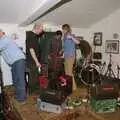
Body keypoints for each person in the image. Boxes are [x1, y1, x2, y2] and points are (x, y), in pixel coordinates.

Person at [0, 29, 26, 103]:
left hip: (18, 61)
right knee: (15, 80)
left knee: (19, 80)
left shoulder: (5, 39)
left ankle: (22, 99)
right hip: (15, 62)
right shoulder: (3, 40)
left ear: (1, 33)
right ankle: (18, 96)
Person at [26, 24, 43, 94]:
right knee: (33, 77)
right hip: (32, 61)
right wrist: (36, 62)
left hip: (32, 60)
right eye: (41, 30)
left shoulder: (30, 35)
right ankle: (31, 92)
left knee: (34, 76)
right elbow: (31, 49)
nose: (41, 32)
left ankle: (33, 91)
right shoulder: (32, 36)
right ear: (37, 28)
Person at [62, 24, 80, 91]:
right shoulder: (64, 37)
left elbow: (78, 42)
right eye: (62, 29)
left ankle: (73, 87)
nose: (63, 31)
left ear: (66, 29)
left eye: (63, 29)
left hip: (71, 57)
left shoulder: (71, 35)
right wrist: (62, 53)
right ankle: (69, 85)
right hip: (66, 57)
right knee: (67, 73)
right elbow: (65, 47)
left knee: (69, 72)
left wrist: (72, 37)